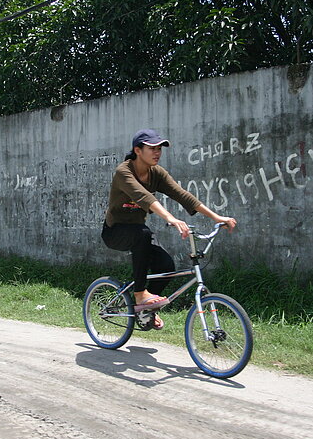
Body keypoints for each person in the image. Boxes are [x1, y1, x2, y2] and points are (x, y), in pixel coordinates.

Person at [101, 129, 237, 330]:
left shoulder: (157, 173)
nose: (157, 152)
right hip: (115, 231)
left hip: (139, 231)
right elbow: (145, 197)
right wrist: (171, 219)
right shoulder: (124, 172)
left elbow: (183, 195)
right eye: (152, 148)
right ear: (137, 150)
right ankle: (139, 294)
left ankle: (147, 310)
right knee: (143, 234)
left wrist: (217, 217)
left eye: (159, 149)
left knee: (166, 267)